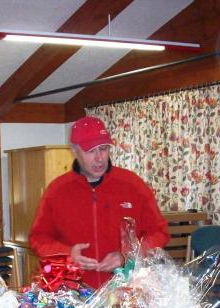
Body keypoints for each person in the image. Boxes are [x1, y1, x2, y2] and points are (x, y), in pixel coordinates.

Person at [29, 115, 169, 289]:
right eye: (90, 151)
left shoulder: (133, 185)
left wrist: (127, 255)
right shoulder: (57, 190)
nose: (99, 158)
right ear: (74, 150)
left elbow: (159, 233)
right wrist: (68, 254)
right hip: (73, 291)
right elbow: (39, 238)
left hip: (126, 289)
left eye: (103, 149)